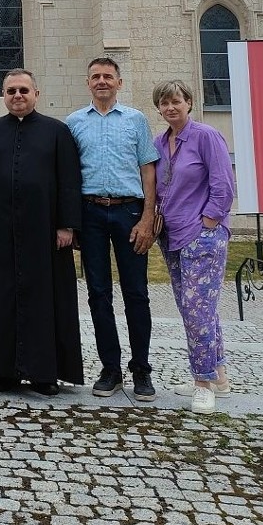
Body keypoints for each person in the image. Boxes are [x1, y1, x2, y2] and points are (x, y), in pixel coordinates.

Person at [0, 69, 83, 396]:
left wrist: (66, 225)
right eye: (11, 90)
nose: (18, 96)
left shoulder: (57, 132)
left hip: (45, 232)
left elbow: (69, 180)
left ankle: (46, 373)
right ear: (4, 95)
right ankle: (4, 372)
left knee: (46, 300)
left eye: (24, 90)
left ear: (36, 94)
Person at [66, 57, 160, 401]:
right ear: (88, 82)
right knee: (98, 293)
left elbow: (148, 169)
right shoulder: (74, 122)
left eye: (108, 76)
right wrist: (71, 222)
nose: (102, 81)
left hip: (129, 212)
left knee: (136, 293)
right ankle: (111, 368)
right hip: (90, 213)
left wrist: (148, 217)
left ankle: (141, 369)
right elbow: (69, 174)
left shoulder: (136, 120)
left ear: (119, 82)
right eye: (95, 76)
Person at [153, 80, 235, 414]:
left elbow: (224, 185)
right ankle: (220, 376)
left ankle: (202, 383)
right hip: (171, 235)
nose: (170, 108)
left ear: (189, 102)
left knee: (198, 309)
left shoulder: (205, 136)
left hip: (201, 235)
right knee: (197, 309)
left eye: (176, 101)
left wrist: (210, 222)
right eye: (164, 103)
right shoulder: (160, 142)